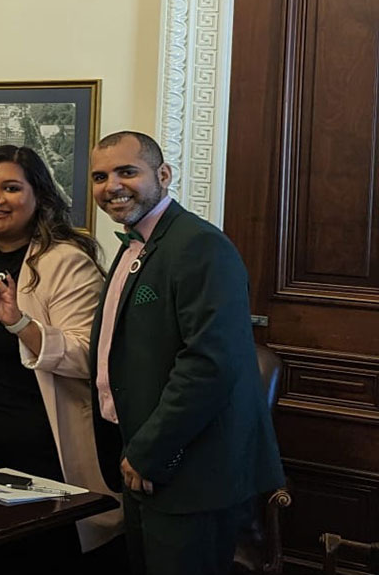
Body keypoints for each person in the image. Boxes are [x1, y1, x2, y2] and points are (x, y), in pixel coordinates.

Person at [88, 132, 282, 575]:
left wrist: (149, 452)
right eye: (100, 176)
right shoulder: (135, 243)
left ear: (163, 175)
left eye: (126, 172)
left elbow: (209, 363)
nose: (111, 185)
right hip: (142, 464)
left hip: (189, 470)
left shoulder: (199, 245)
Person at [0, 145, 116, 561]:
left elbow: (87, 356)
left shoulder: (66, 261)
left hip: (41, 450)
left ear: (39, 196)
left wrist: (18, 323)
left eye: (11, 188)